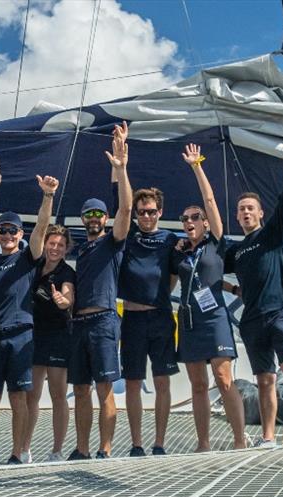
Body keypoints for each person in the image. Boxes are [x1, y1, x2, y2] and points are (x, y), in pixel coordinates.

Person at [224, 131, 283, 448]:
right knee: (264, 379)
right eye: (241, 209)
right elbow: (208, 271)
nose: (246, 212)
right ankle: (268, 436)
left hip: (282, 312)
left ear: (260, 213)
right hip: (253, 320)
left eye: (250, 208)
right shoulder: (235, 251)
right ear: (237, 217)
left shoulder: (273, 233)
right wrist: (233, 289)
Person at [0, 175, 58, 464]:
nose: (7, 235)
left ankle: (18, 452)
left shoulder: (28, 257)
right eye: (3, 230)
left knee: (18, 398)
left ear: (21, 234)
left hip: (21, 335)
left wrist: (47, 197)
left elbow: (43, 227)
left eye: (13, 231)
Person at [111, 123, 180, 457]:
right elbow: (122, 204)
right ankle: (137, 443)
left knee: (163, 381)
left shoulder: (169, 239)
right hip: (133, 321)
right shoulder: (127, 235)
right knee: (135, 383)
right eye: (142, 212)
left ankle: (160, 442)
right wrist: (121, 165)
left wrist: (160, 295)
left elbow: (174, 276)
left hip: (162, 319)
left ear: (160, 212)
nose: (147, 216)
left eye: (152, 211)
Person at [174, 143, 246, 452]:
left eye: (195, 217)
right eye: (185, 219)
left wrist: (196, 166)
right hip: (189, 320)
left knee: (222, 377)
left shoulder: (215, 243)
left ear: (205, 222)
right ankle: (203, 444)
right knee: (198, 385)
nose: (189, 221)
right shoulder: (180, 252)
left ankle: (240, 440)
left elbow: (210, 199)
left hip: (215, 317)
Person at [67, 123, 132, 460]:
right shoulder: (78, 251)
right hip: (78, 325)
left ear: (105, 219)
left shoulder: (112, 243)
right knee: (80, 391)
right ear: (83, 220)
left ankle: (105, 448)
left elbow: (126, 209)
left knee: (105, 389)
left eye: (98, 214)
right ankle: (81, 448)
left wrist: (120, 169)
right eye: (88, 214)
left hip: (105, 322)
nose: (93, 218)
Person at [24, 225, 75, 462]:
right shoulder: (33, 266)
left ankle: (57, 450)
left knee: (58, 395)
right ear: (45, 244)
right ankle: (24, 449)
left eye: (60, 245)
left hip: (58, 336)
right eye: (52, 243)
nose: (55, 248)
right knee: (31, 395)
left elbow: (68, 298)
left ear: (66, 250)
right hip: (34, 336)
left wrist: (62, 300)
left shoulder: (66, 273)